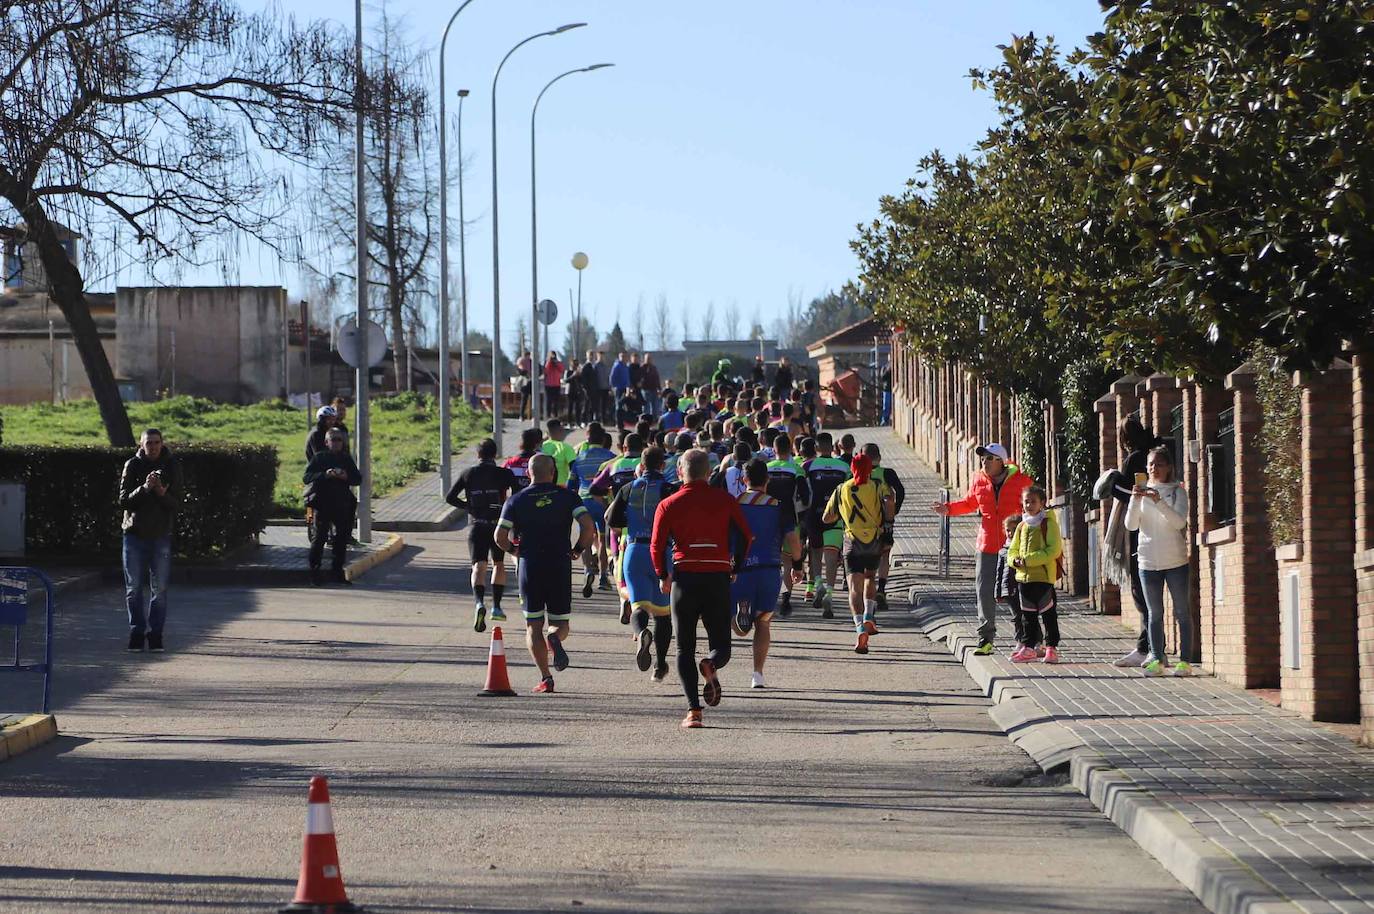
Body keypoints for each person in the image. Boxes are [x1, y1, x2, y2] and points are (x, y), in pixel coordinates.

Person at [651, 448, 752, 729]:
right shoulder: (725, 500)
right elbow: (746, 535)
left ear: (680, 472)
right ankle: (710, 663)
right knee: (722, 645)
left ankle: (694, 712)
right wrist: (736, 567)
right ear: (709, 472)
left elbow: (657, 545)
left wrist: (662, 574)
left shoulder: (668, 504)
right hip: (717, 576)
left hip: (684, 578)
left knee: (684, 647)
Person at [496, 454, 595, 694]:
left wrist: (514, 550)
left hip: (530, 565)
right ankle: (555, 638)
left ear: (529, 473)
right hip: (559, 564)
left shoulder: (516, 500)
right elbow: (588, 526)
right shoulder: (568, 496)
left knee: (533, 625)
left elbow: (499, 536)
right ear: (553, 472)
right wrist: (578, 549)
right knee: (560, 623)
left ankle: (546, 678)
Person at [932, 443, 1033, 655]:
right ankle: (985, 638)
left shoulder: (1021, 481)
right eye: (983, 458)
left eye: (989, 458)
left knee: (1017, 593)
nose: (984, 462)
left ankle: (1027, 638)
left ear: (1001, 462)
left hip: (1013, 545)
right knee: (984, 592)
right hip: (986, 545)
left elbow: (1031, 509)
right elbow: (970, 503)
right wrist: (948, 509)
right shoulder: (978, 480)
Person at [606, 447, 679, 680]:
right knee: (663, 614)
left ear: (642, 465)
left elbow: (611, 519)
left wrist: (629, 520)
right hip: (662, 553)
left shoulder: (628, 488)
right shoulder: (670, 489)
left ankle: (641, 632)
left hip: (635, 549)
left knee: (638, 606)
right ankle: (659, 665)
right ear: (662, 466)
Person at [733, 459, 803, 688]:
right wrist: (798, 564)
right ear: (767, 480)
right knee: (763, 622)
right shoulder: (779, 505)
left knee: (737, 623)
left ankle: (738, 615)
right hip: (770, 570)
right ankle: (757, 675)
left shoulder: (734, 504)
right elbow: (793, 538)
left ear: (744, 480)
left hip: (740, 569)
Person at [1125, 446, 1193, 677]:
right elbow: (1131, 525)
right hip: (1147, 561)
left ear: (1169, 468)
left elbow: (1179, 523)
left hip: (1175, 561)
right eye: (1151, 464)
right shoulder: (1141, 494)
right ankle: (1157, 658)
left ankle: (1184, 661)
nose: (1154, 469)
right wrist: (1135, 499)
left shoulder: (1177, 492)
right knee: (1154, 613)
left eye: (1159, 464)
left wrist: (1159, 502)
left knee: (1182, 611)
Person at [1111, 416, 1169, 668]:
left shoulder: (1136, 458)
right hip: (1158, 529)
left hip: (1139, 531)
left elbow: (1130, 491)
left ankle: (1148, 647)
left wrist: (1112, 484)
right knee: (1150, 593)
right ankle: (1152, 646)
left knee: (1141, 590)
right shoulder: (1155, 452)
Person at [823, 452, 895, 654]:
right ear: (870, 469)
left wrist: (841, 513)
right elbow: (890, 503)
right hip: (874, 539)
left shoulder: (841, 489)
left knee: (854, 586)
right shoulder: (879, 486)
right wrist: (888, 520)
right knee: (870, 577)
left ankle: (859, 628)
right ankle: (869, 616)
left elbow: (827, 518)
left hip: (852, 540)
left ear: (852, 469)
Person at [118, 428, 182, 653]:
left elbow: (177, 504)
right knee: (133, 588)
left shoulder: (171, 465)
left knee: (160, 589)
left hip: (160, 536)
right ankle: (136, 632)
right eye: (149, 443)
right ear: (141, 444)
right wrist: (145, 488)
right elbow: (124, 501)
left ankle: (155, 635)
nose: (153, 447)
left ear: (162, 444)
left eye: (156, 442)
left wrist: (162, 493)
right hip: (134, 535)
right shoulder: (132, 465)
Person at [447, 438, 518, 631]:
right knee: (499, 563)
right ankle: (496, 606)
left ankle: (479, 603)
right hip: (498, 526)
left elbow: (449, 497)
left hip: (476, 525)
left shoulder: (467, 473)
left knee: (478, 565)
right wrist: (508, 510)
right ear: (495, 455)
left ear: (478, 455)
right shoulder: (504, 473)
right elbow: (518, 493)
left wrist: (468, 507)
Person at [1008, 485, 1064, 663]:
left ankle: (1051, 648)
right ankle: (1029, 647)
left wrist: (1028, 560)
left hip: (1043, 577)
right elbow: (1012, 549)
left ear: (1042, 503)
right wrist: (1015, 560)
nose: (1029, 505)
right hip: (1024, 578)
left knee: (1048, 615)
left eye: (1033, 501)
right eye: (1026, 501)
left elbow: (1053, 550)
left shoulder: (1048, 523)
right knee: (1028, 617)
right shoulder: (1022, 526)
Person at [303, 427, 362, 587]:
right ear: (326, 442)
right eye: (333, 439)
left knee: (341, 538)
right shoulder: (320, 458)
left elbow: (357, 479)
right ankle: (314, 573)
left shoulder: (345, 458)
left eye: (339, 440)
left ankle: (337, 572)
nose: (336, 443)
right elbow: (307, 477)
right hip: (322, 503)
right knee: (319, 538)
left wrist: (345, 476)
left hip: (341, 503)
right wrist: (325, 474)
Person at [803, 432, 851, 616]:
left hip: (814, 515)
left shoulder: (808, 465)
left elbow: (803, 491)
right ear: (832, 447)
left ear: (816, 448)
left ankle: (818, 583)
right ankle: (829, 594)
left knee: (815, 551)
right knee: (831, 556)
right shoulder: (844, 467)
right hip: (835, 516)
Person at [569, 425, 617, 595]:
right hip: (603, 502)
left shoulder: (578, 459)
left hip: (583, 503)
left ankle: (588, 571)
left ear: (587, 440)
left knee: (586, 538)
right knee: (603, 540)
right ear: (604, 440)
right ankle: (604, 577)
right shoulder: (611, 457)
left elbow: (571, 485)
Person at [766, 433, 810, 618]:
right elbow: (805, 497)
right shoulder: (797, 469)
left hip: (768, 518)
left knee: (770, 562)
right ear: (791, 447)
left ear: (773, 449)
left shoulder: (766, 468)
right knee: (787, 561)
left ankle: (770, 600)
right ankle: (786, 599)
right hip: (789, 518)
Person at [863, 443, 906, 608]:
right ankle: (881, 589)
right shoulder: (887, 473)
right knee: (884, 555)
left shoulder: (859, 473)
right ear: (879, 458)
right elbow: (900, 490)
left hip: (863, 522)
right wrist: (895, 510)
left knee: (866, 556)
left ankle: (868, 591)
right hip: (883, 521)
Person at [541, 418, 577, 487]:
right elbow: (574, 468)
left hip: (543, 486)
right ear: (560, 430)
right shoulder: (566, 447)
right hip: (560, 487)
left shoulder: (541, 446)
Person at [579, 353, 599, 425]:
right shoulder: (586, 366)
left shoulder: (594, 366)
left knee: (592, 406)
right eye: (590, 355)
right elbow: (583, 379)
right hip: (587, 389)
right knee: (586, 405)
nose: (591, 357)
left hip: (594, 389)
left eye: (592, 355)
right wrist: (585, 388)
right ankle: (583, 421)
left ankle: (591, 421)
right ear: (587, 356)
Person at [640, 353, 663, 418]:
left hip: (654, 389)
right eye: (647, 358)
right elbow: (640, 378)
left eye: (650, 358)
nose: (649, 360)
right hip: (645, 389)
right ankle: (645, 419)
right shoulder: (642, 368)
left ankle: (654, 419)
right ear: (645, 359)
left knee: (655, 406)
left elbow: (657, 378)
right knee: (646, 406)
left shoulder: (653, 368)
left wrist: (659, 388)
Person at [543, 350, 564, 418]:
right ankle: (548, 415)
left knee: (556, 402)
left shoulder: (558, 363)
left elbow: (561, 370)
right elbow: (546, 370)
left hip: (556, 385)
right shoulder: (547, 363)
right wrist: (549, 361)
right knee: (549, 401)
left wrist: (556, 363)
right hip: (548, 385)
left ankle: (555, 415)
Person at [594, 350, 613, 424]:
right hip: (598, 388)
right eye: (600, 356)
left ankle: (603, 420)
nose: (602, 358)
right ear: (598, 356)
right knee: (598, 405)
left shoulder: (605, 366)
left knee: (604, 405)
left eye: (603, 356)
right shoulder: (595, 366)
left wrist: (609, 387)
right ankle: (597, 419)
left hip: (605, 388)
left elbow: (608, 377)